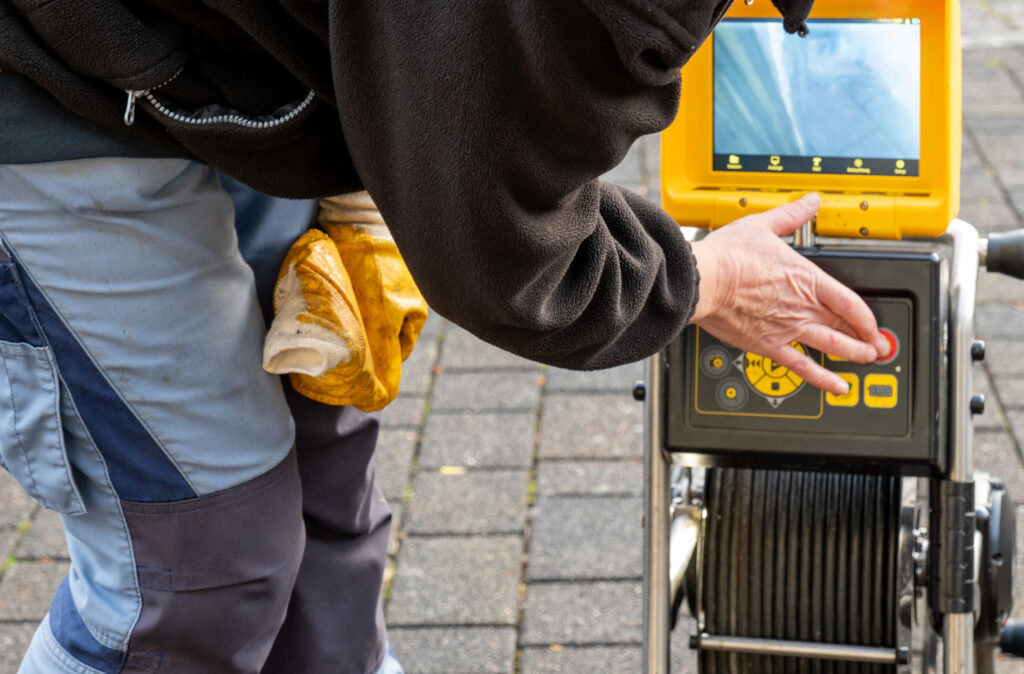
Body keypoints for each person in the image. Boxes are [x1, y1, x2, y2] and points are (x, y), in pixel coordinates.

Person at [0, 1, 887, 672]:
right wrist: (701, 279)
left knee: (321, 456)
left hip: (220, 64)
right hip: (46, 74)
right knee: (202, 569)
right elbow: (501, 247)